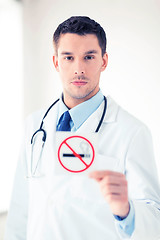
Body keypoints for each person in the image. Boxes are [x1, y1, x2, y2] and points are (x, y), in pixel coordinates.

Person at [4, 16, 160, 240]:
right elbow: (21, 210)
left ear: (104, 61)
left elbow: (155, 221)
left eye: (89, 57)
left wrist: (127, 211)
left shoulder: (132, 132)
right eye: (68, 57)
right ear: (56, 62)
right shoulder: (34, 126)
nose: (79, 69)